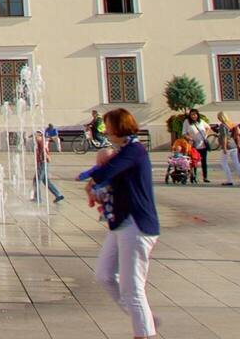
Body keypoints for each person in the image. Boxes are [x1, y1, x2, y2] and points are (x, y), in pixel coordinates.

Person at [83, 108, 160, 339]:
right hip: (121, 223)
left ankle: (144, 331)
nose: (105, 131)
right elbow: (114, 183)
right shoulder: (124, 151)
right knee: (104, 275)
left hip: (137, 225)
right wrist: (97, 192)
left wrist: (92, 181)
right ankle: (145, 319)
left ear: (118, 127)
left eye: (108, 127)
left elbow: (108, 170)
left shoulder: (134, 150)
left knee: (132, 288)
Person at [179, 110, 211, 183]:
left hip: (203, 145)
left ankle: (205, 177)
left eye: (195, 114)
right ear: (190, 115)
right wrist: (189, 138)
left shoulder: (201, 121)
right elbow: (184, 133)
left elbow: (208, 127)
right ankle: (194, 176)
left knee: (204, 161)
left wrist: (205, 136)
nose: (193, 116)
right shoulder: (187, 122)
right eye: (192, 114)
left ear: (197, 115)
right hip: (193, 145)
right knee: (194, 161)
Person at [32, 132, 63, 203]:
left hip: (42, 162)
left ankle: (37, 198)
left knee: (36, 180)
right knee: (46, 180)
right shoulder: (41, 141)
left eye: (36, 135)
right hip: (44, 162)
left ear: (40, 135)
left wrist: (44, 158)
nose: (35, 137)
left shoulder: (40, 141)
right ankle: (58, 195)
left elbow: (43, 150)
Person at [215, 113, 240, 187]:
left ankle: (229, 180)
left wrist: (224, 147)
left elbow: (224, 137)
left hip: (227, 146)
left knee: (223, 163)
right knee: (237, 163)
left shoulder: (222, 125)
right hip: (233, 145)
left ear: (221, 118)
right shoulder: (231, 123)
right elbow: (237, 132)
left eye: (218, 117)